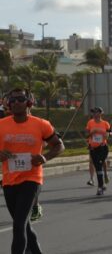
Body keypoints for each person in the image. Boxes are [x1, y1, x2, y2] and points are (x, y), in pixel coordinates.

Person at [0, 88, 64, 254]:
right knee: (24, 225)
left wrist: (45, 157)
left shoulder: (41, 124)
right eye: (12, 100)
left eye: (20, 99)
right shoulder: (2, 125)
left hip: (32, 179)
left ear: (29, 102)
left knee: (19, 224)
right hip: (9, 180)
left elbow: (59, 145)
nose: (15, 103)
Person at [85, 107, 111, 196]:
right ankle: (102, 185)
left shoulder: (105, 123)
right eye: (94, 113)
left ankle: (100, 187)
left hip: (103, 148)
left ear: (101, 113)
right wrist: (92, 133)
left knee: (99, 165)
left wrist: (104, 133)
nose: (95, 114)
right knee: (98, 167)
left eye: (97, 112)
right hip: (93, 148)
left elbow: (109, 133)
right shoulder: (90, 123)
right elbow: (86, 134)